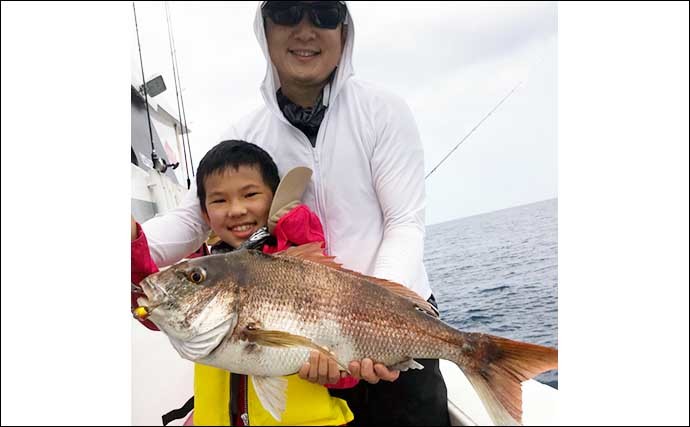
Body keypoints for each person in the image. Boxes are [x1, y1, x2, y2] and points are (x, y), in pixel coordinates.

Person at [140, 1, 450, 425]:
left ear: (344, 31)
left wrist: (377, 316)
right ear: (264, 29)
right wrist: (129, 237)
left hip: (389, 322)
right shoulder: (244, 134)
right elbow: (194, 216)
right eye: (287, 13)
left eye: (323, 15)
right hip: (301, 339)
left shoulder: (383, 111)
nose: (305, 30)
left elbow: (404, 222)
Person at [132, 140, 356, 426]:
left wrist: (336, 375)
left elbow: (351, 368)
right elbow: (157, 307)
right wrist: (131, 240)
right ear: (204, 214)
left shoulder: (299, 267)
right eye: (219, 200)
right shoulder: (205, 267)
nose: (236, 210)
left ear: (273, 198)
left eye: (250, 194)